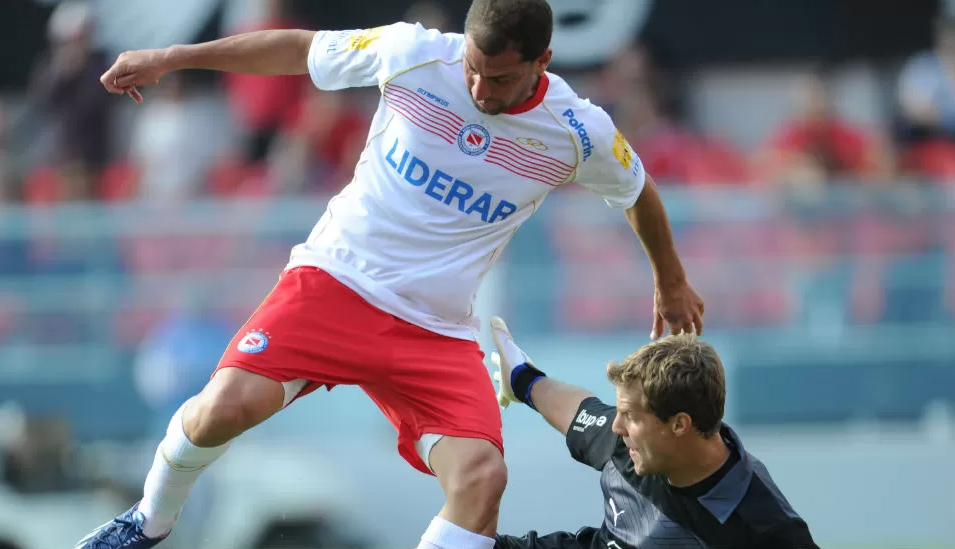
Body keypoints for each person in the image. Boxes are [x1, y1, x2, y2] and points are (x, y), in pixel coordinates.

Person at [75, 1, 705, 548]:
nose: (482, 91)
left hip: (435, 328)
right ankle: (147, 523)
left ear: (542, 61)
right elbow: (299, 51)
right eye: (474, 71)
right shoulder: (413, 54)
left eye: (502, 79)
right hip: (335, 283)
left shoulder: (576, 130)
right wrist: (172, 57)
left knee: (482, 477)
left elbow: (637, 190)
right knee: (222, 410)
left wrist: (670, 280)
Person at [487, 316, 819, 549]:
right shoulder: (633, 442)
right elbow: (579, 412)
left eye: (630, 416)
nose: (617, 426)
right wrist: (523, 380)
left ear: (679, 424)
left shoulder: (766, 526)